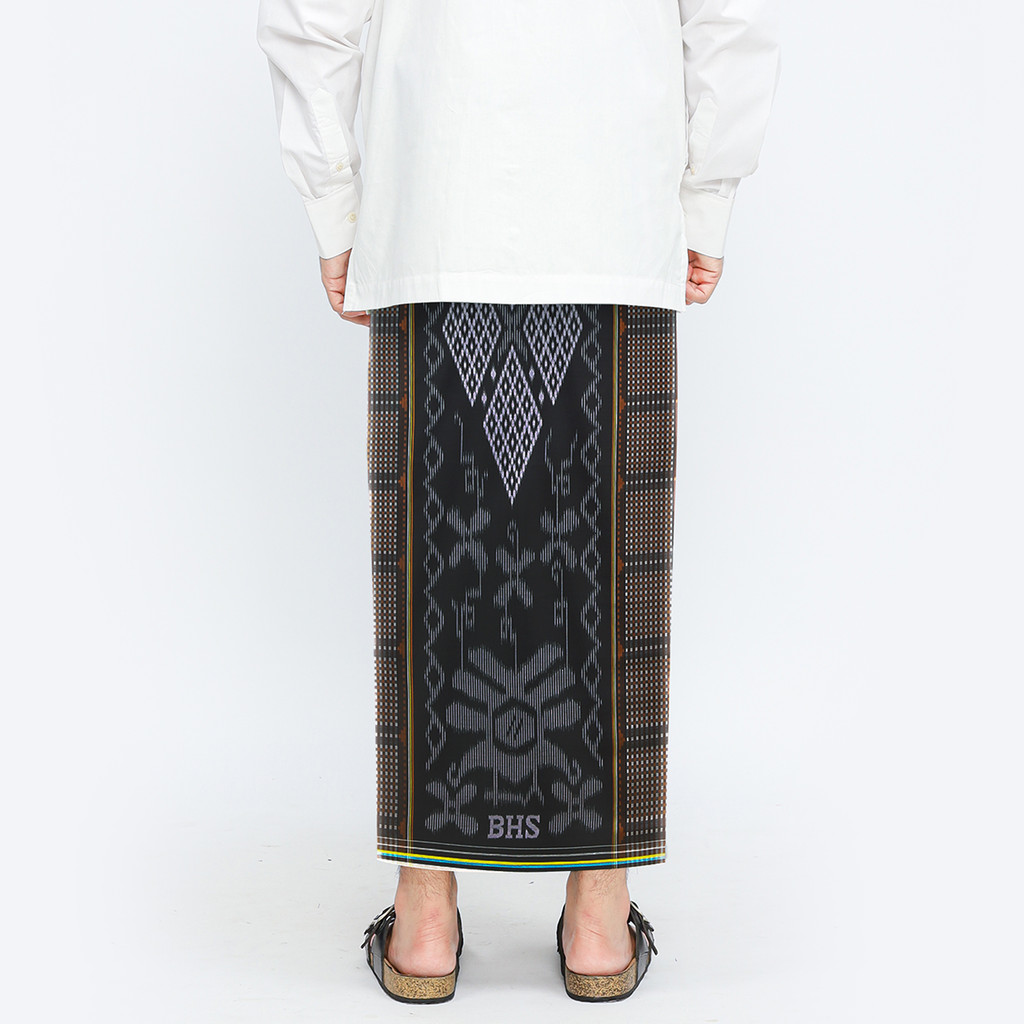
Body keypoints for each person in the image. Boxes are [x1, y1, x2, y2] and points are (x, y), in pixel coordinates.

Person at [256, 0, 780, 1003]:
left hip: (435, 201)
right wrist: (705, 193)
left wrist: (338, 206)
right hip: (610, 206)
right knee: (612, 573)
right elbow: (728, 13)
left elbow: (309, 15)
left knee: (432, 570)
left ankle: (423, 921)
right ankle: (598, 922)